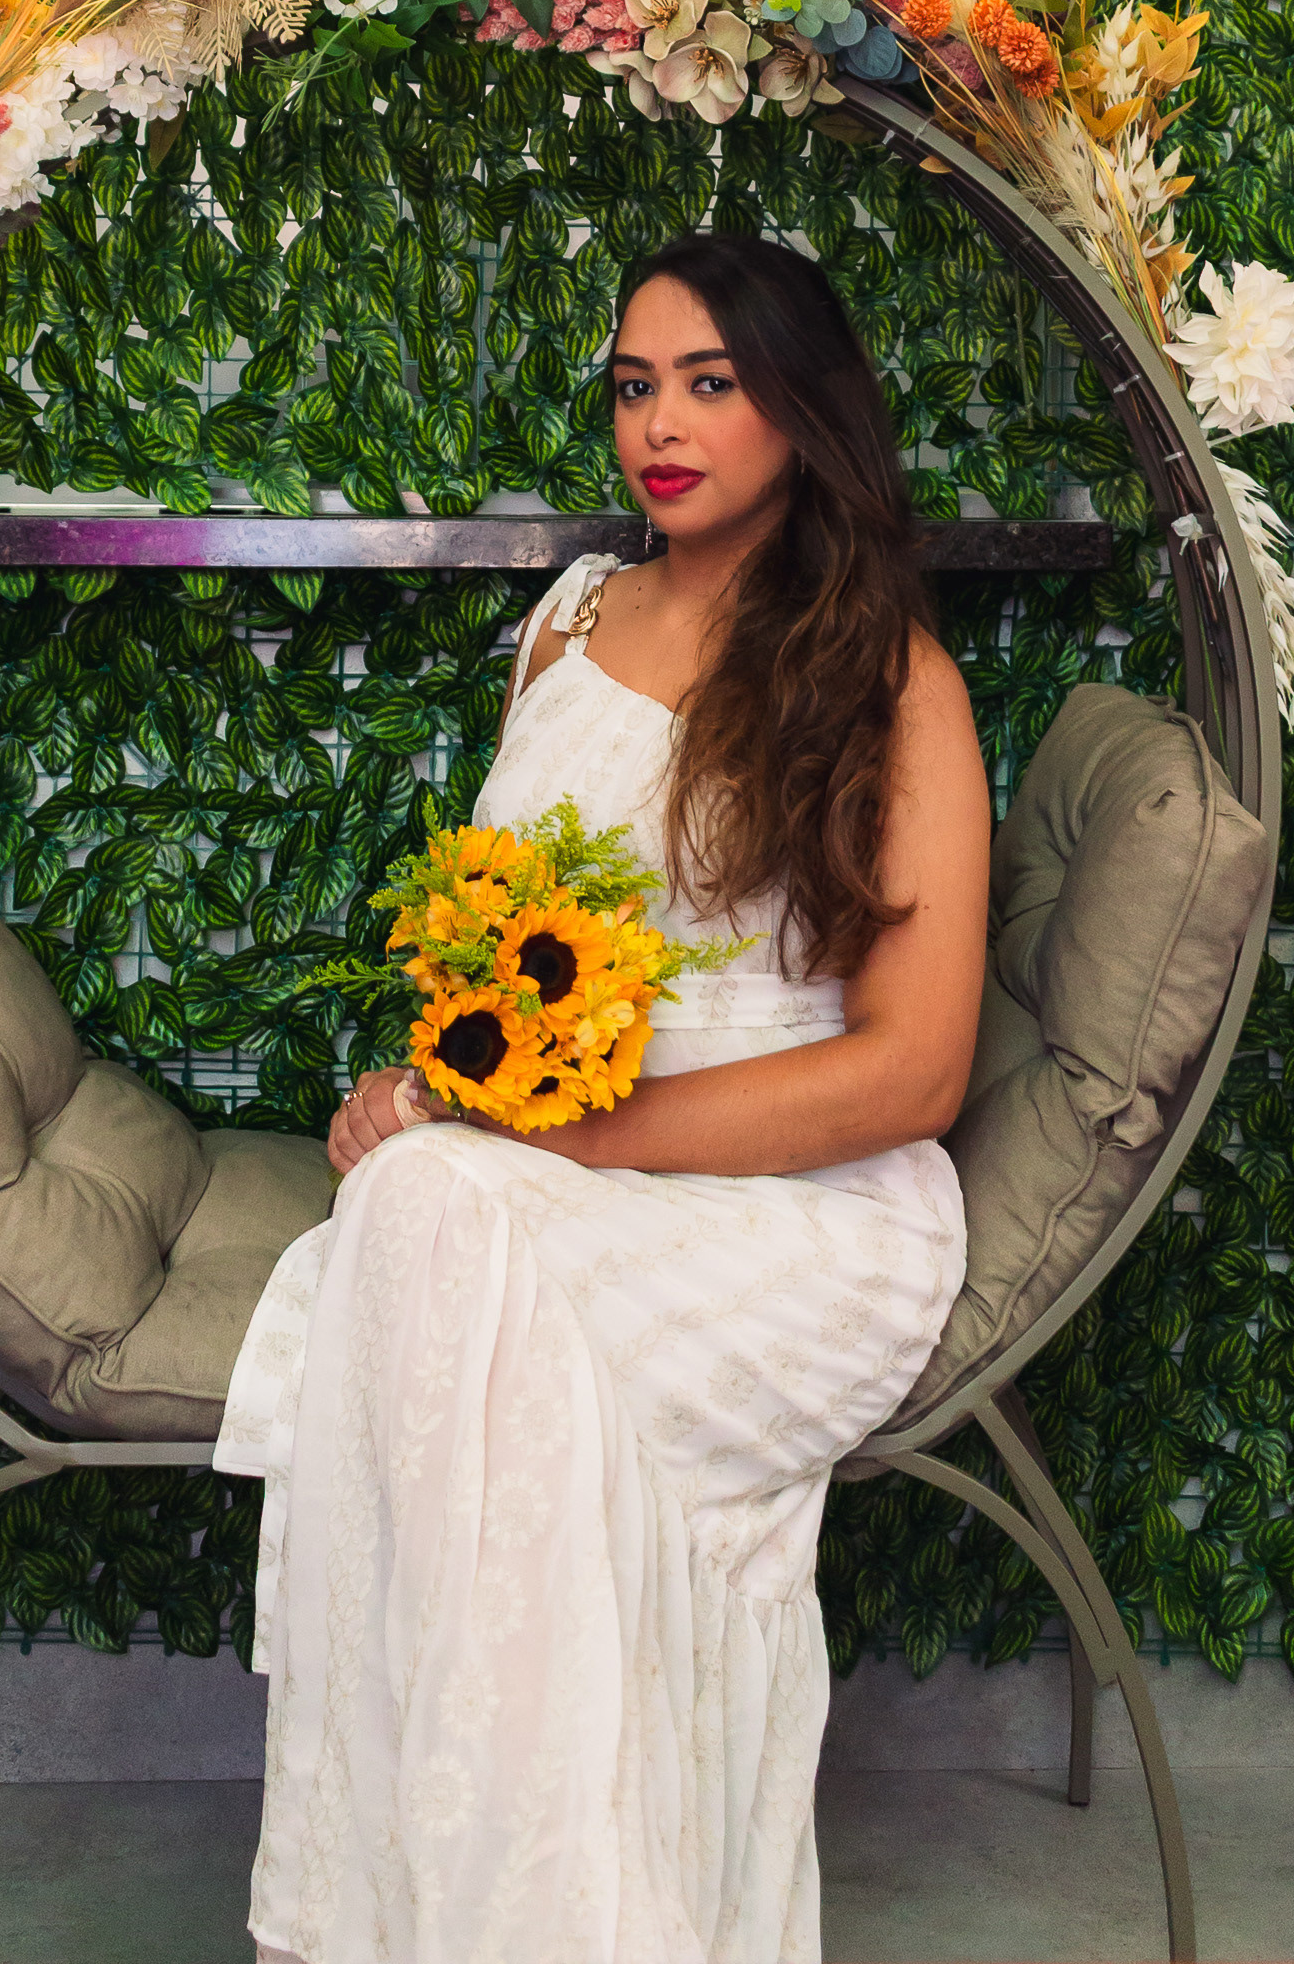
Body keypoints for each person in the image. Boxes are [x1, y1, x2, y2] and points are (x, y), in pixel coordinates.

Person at [216, 230, 990, 1964]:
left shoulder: (890, 681)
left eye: (712, 383)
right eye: (637, 385)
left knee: (437, 1227)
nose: (662, 424)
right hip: (546, 1161)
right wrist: (428, 1086)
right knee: (424, 1213)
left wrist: (542, 1137)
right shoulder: (567, 622)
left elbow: (915, 1071)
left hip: (800, 1203)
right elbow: (514, 956)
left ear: (804, 407)